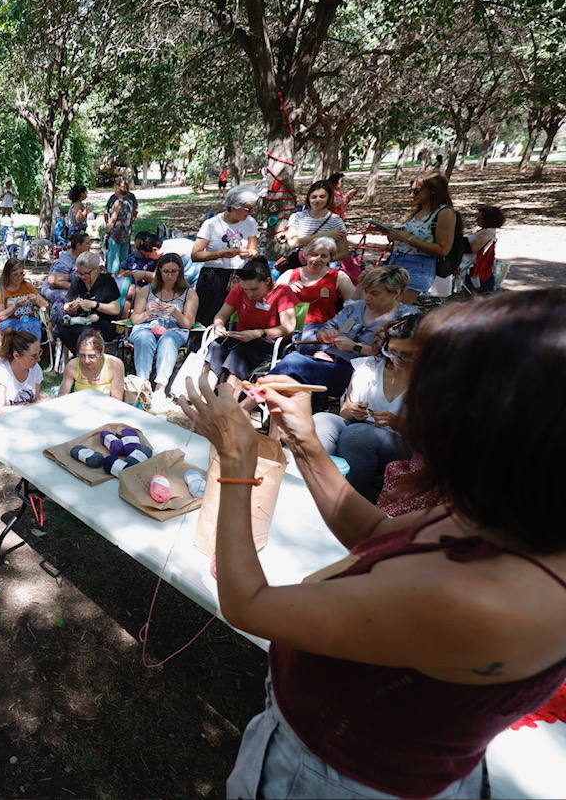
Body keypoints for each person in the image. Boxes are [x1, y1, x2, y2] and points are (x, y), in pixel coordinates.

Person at [182, 290, 566, 800]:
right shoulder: (520, 512)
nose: (407, 391)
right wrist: (303, 441)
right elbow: (378, 536)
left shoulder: (487, 600)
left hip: (339, 781)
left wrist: (236, 460)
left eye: (425, 377)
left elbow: (248, 604)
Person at [310, 314, 420, 500]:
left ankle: (351, 501)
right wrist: (352, 411)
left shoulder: (433, 381)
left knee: (359, 434)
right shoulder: (370, 367)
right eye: (392, 351)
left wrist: (397, 423)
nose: (397, 359)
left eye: (407, 356)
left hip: (405, 446)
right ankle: (316, 488)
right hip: (358, 432)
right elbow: (345, 411)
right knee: (321, 420)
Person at [267, 265, 417, 399]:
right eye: (366, 292)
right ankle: (269, 409)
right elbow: (326, 328)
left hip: (364, 375)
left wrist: (356, 347)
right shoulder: (356, 307)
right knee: (292, 374)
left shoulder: (404, 318)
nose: (367, 297)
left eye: (375, 294)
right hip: (330, 362)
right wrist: (324, 334)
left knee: (293, 363)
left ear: (395, 293)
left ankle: (251, 402)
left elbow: (396, 356)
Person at [205, 260, 298, 384]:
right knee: (216, 346)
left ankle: (229, 397)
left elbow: (289, 327)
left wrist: (259, 333)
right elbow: (221, 315)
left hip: (269, 342)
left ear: (267, 281)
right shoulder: (239, 289)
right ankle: (206, 394)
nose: (249, 294)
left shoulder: (282, 291)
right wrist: (219, 325)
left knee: (240, 352)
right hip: (241, 337)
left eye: (254, 289)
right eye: (245, 289)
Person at [129, 253, 199, 406]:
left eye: (174, 271)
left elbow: (188, 324)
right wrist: (148, 313)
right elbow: (134, 319)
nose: (170, 275)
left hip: (175, 329)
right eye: (166, 271)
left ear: (180, 272)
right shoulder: (147, 290)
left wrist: (175, 312)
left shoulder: (189, 293)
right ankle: (143, 383)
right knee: (143, 338)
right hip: (147, 325)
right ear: (159, 270)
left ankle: (160, 388)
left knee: (168, 341)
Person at [378, 172, 459, 304]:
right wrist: (395, 236)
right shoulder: (418, 211)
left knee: (393, 311)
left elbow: (443, 249)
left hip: (417, 267)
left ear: (432, 190)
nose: (411, 195)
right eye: (410, 190)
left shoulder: (444, 213)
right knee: (380, 304)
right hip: (396, 262)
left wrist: (407, 238)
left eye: (416, 191)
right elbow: (408, 237)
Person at [192, 185, 260, 326]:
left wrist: (249, 253)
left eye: (253, 208)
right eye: (248, 209)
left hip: (239, 276)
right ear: (234, 207)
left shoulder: (251, 223)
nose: (251, 213)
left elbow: (253, 248)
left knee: (236, 319)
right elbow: (196, 255)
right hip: (213, 276)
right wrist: (220, 254)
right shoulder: (211, 225)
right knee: (208, 318)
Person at [274, 180, 349, 272]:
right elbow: (294, 243)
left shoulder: (335, 220)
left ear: (329, 198)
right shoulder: (297, 217)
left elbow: (343, 253)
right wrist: (326, 235)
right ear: (308, 198)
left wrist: (320, 260)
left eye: (322, 197)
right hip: (297, 266)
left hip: (321, 270)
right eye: (314, 197)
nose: (317, 200)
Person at [279, 237, 355, 325]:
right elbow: (269, 300)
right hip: (290, 328)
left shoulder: (339, 276)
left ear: (330, 258)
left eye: (324, 256)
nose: (318, 259)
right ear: (306, 255)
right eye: (314, 254)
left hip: (322, 331)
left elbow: (355, 306)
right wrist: (285, 289)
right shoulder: (290, 274)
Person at [59, 250, 122, 353]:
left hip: (103, 323)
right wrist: (70, 307)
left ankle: (84, 358)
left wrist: (95, 305)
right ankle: (80, 357)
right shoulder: (78, 281)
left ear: (96, 269)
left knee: (85, 333)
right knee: (63, 331)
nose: (82, 277)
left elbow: (115, 309)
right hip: (81, 321)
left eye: (86, 273)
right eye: (79, 273)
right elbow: (66, 305)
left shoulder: (107, 281)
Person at [0, 329, 43, 422]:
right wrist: (33, 406)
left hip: (19, 416)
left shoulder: (35, 368)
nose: (38, 359)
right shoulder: (0, 372)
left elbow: (35, 399)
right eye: (34, 356)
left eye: (39, 353)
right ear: (17, 356)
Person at [58, 328, 125, 401]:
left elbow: (117, 400)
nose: (86, 361)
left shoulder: (114, 365)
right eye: (82, 355)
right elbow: (62, 395)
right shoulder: (73, 365)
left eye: (92, 356)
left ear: (101, 352)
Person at [0, 258, 48, 335]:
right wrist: (15, 305)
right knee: (23, 328)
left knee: (35, 326)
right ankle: (30, 346)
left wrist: (36, 299)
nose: (20, 277)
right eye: (15, 274)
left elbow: (45, 305)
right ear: (8, 275)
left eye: (21, 273)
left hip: (29, 320)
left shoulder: (27, 286)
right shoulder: (0, 291)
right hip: (10, 322)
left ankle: (35, 346)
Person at [42, 232, 91, 313]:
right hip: (52, 289)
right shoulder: (65, 261)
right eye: (87, 243)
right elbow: (54, 281)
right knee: (73, 298)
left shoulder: (82, 257)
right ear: (79, 245)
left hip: (68, 287)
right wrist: (77, 288)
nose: (90, 246)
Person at [460, 204, 503, 294]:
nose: (476, 220)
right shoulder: (485, 231)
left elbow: (473, 249)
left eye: (479, 218)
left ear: (488, 220)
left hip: (466, 260)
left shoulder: (487, 233)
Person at [118, 231, 161, 306]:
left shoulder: (155, 259)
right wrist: (125, 274)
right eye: (137, 247)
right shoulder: (132, 257)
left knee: (129, 291)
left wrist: (143, 275)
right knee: (126, 304)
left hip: (146, 290)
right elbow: (121, 274)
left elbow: (156, 280)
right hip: (129, 288)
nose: (138, 249)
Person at [104, 179, 137, 273]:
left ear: (117, 188)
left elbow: (113, 219)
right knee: (124, 255)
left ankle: (113, 276)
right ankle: (124, 275)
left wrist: (107, 230)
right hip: (126, 231)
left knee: (114, 255)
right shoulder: (130, 201)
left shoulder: (118, 202)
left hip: (116, 232)